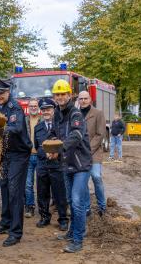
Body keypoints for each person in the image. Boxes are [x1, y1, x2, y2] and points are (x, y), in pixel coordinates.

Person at [48, 79, 92, 253]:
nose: (60, 97)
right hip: (66, 164)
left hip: (81, 165)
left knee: (77, 202)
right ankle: (72, 231)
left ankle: (78, 239)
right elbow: (53, 134)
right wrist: (49, 147)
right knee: (70, 201)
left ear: (69, 95)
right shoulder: (57, 114)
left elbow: (75, 135)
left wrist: (58, 149)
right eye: (57, 94)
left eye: (63, 94)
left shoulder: (76, 114)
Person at [0, 79, 32, 247]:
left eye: (2, 93)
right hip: (5, 153)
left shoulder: (15, 108)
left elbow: (16, 128)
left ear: (8, 93)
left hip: (19, 154)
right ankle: (5, 222)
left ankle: (15, 232)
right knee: (5, 187)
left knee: (15, 191)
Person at [34, 98, 69, 231]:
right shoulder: (38, 128)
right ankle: (44, 217)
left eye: (48, 109)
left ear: (54, 110)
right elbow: (37, 146)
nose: (45, 112)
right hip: (42, 164)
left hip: (57, 164)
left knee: (59, 193)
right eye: (43, 110)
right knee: (42, 193)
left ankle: (63, 219)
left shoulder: (59, 126)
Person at [78, 91, 107, 216]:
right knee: (82, 181)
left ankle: (102, 206)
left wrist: (88, 149)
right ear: (78, 100)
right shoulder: (75, 114)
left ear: (90, 99)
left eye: (86, 98)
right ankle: (86, 207)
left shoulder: (98, 113)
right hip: (79, 154)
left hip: (93, 152)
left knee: (96, 176)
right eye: (81, 99)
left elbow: (100, 134)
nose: (83, 101)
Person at [25, 98, 42, 218]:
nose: (33, 108)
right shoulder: (24, 120)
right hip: (28, 156)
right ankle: (29, 206)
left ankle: (42, 207)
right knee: (28, 184)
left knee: (42, 184)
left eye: (35, 106)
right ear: (28, 107)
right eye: (31, 106)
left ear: (38, 107)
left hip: (41, 156)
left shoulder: (43, 119)